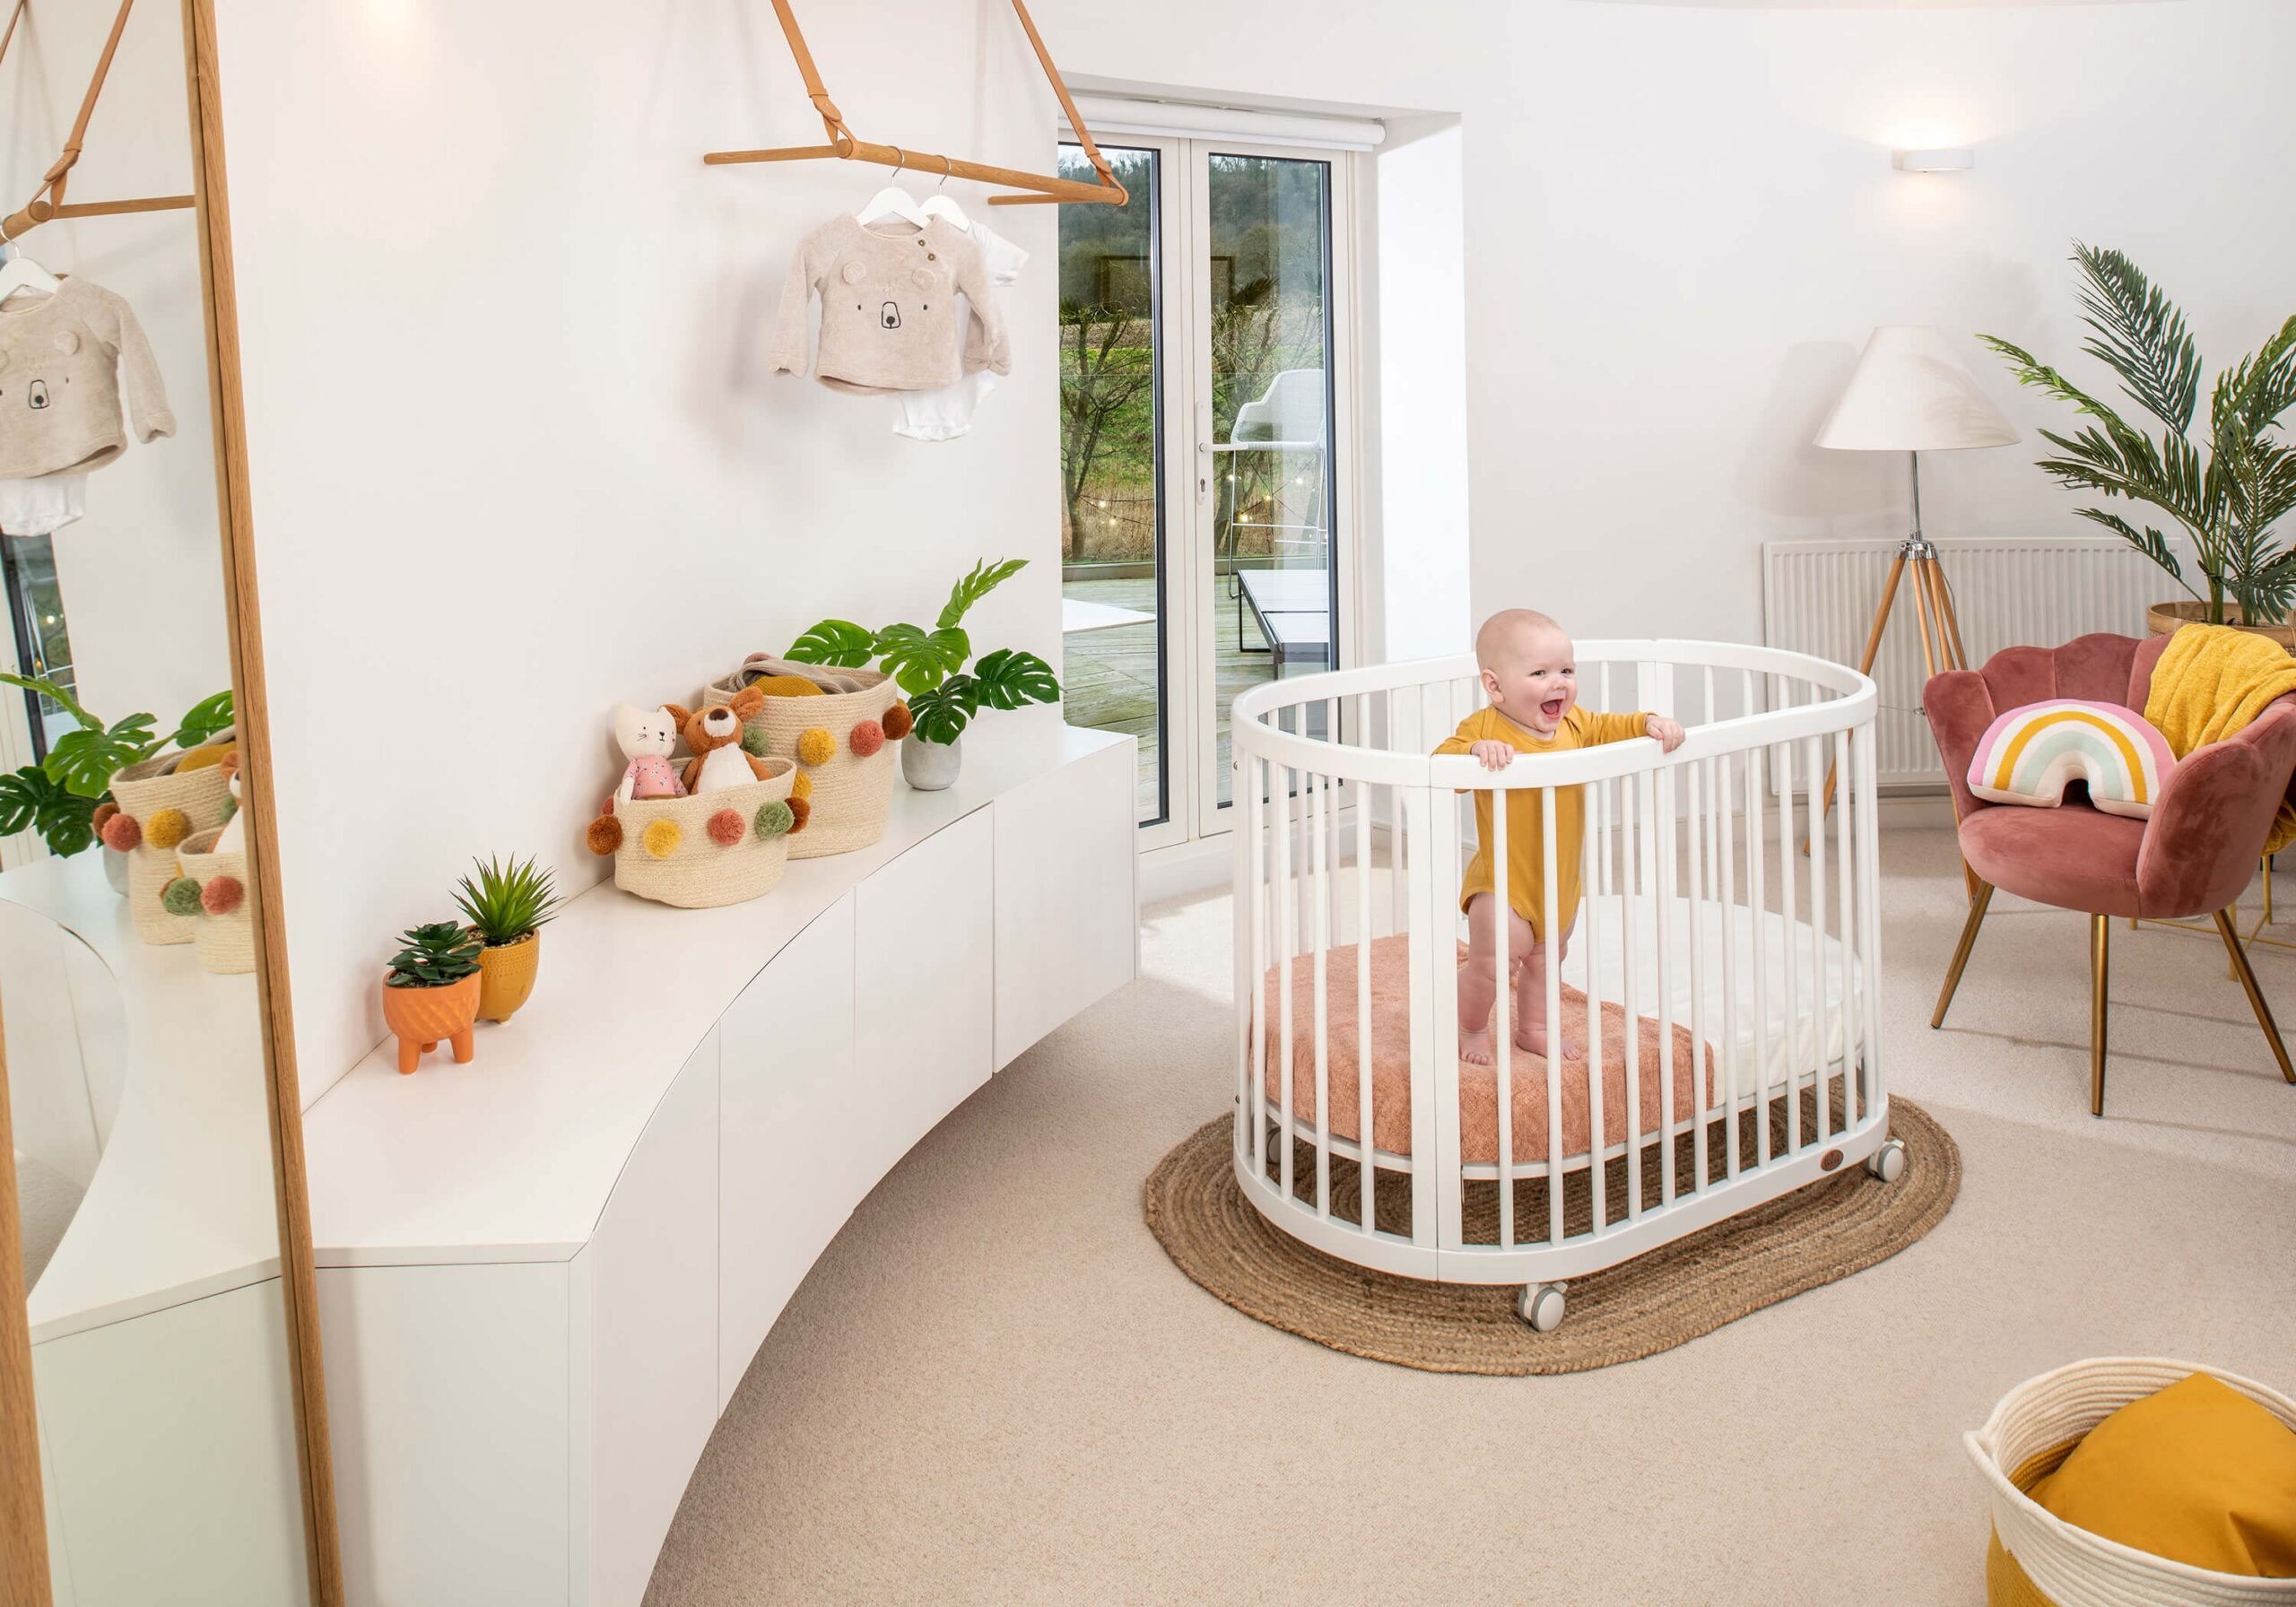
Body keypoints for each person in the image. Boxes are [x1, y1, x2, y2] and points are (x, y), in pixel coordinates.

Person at [1437, 610, 1685, 1064]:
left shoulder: (1574, 725)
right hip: (1503, 885)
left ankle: (1534, 1029)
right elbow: (1442, 762)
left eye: (1567, 671)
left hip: (1560, 885)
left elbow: (1613, 727)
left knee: (1546, 961)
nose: (1559, 683)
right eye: (1540, 673)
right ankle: (1471, 1027)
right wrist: (1474, 751)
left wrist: (1649, 722)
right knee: (1491, 967)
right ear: (1495, 686)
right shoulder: (1485, 729)